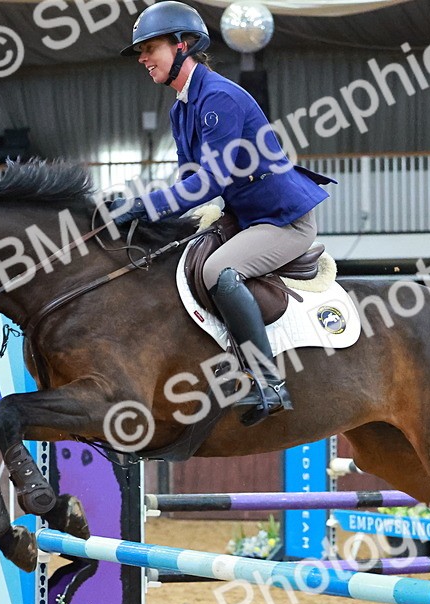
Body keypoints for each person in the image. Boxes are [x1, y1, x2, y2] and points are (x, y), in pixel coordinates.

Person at [112, 0, 335, 427]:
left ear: (183, 45)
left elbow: (211, 181)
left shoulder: (218, 98)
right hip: (248, 216)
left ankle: (269, 382)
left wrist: (146, 205)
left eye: (150, 48)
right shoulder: (181, 108)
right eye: (141, 51)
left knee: (219, 270)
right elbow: (188, 180)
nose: (142, 58)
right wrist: (144, 213)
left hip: (284, 220)